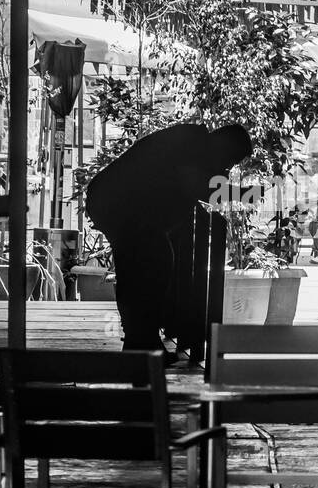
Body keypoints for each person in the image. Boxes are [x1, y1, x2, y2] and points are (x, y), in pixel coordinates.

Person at [85, 123, 252, 356]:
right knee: (150, 266)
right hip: (119, 205)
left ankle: (141, 341)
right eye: (232, 159)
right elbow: (196, 186)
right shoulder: (192, 141)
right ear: (224, 145)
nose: (228, 165)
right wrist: (247, 194)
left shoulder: (194, 144)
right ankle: (141, 342)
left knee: (142, 269)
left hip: (116, 203)